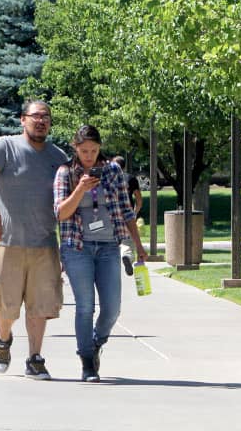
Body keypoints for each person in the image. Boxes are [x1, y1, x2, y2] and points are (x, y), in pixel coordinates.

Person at [0, 99, 68, 380]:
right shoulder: (6, 146)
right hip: (7, 243)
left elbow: (69, 200)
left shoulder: (58, 156)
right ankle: (3, 340)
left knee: (40, 306)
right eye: (36, 116)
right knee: (5, 305)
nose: (41, 121)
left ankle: (35, 359)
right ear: (23, 119)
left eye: (46, 117)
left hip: (45, 245)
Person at [53, 125, 147, 383]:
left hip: (108, 246)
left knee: (112, 307)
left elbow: (126, 210)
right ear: (75, 147)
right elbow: (60, 213)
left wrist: (137, 244)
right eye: (84, 151)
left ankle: (96, 342)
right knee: (85, 306)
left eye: (94, 150)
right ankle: (87, 363)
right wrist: (80, 189)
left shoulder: (112, 171)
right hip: (77, 247)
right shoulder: (65, 173)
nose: (89, 156)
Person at [113, 156, 143, 276]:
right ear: (124, 166)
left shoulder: (108, 178)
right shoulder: (131, 178)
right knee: (127, 242)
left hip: (111, 215)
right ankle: (127, 256)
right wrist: (134, 213)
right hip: (127, 215)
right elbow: (139, 199)